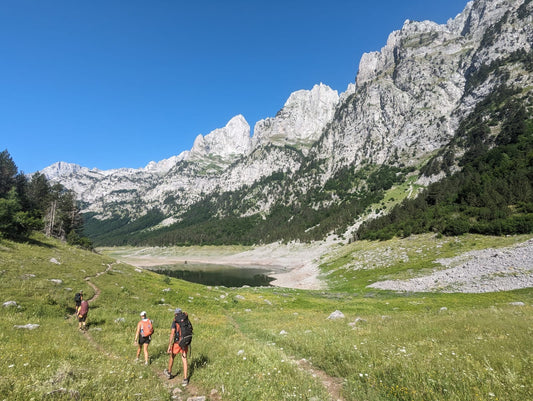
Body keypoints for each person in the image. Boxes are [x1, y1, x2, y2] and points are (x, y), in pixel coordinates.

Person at [164, 308, 191, 386]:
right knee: (184, 359)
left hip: (177, 342)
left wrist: (169, 345)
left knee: (172, 356)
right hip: (185, 341)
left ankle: (169, 372)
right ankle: (185, 379)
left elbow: (172, 333)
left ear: (176, 314)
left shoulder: (175, 320)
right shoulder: (186, 319)